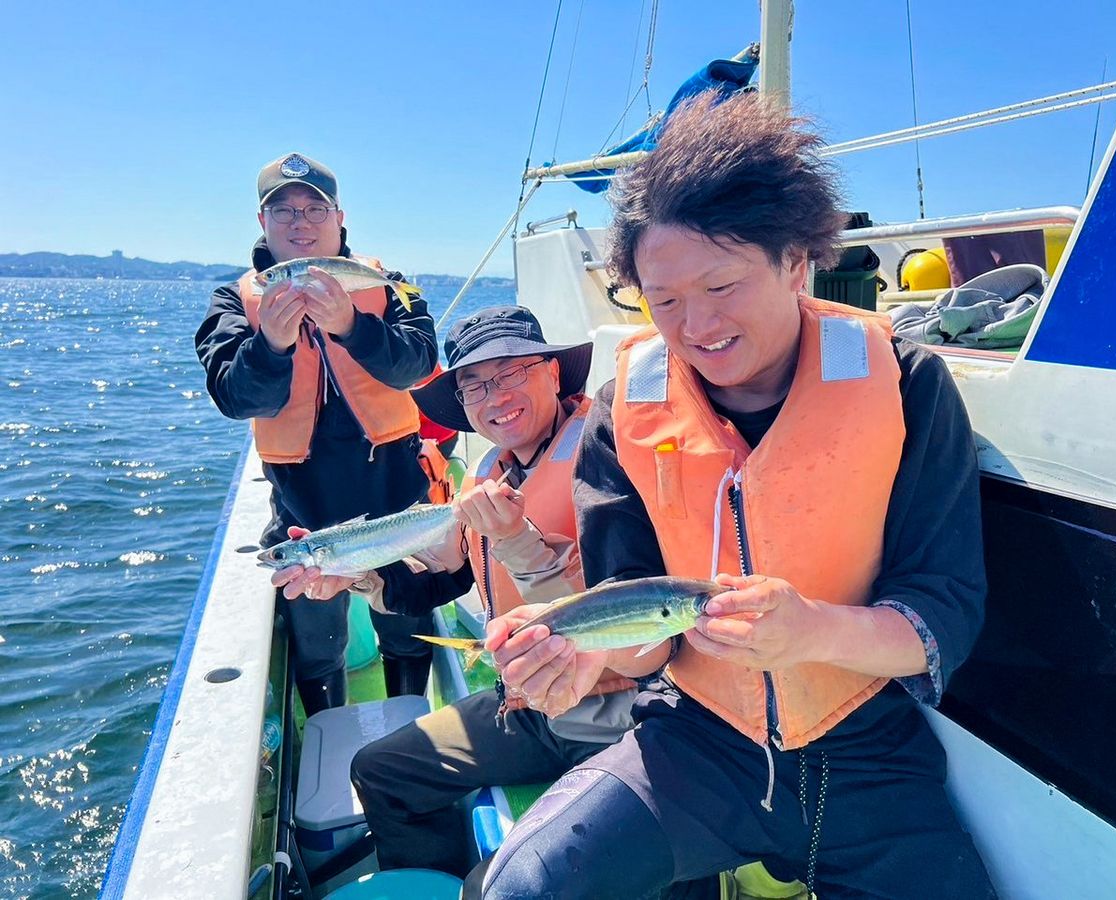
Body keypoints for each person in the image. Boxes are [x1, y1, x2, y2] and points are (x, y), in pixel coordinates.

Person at [477, 94, 997, 899]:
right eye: (666, 299)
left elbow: (944, 614)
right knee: (522, 883)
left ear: (795, 261)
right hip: (697, 741)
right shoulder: (627, 408)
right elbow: (639, 630)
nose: (697, 326)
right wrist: (581, 657)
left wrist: (811, 629)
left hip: (865, 747)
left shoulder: (908, 383)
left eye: (722, 285)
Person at [337, 307, 638, 877]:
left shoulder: (608, 458)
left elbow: (617, 610)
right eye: (473, 385)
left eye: (509, 373)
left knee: (511, 883)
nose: (492, 395)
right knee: (382, 771)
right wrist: (352, 573)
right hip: (526, 707)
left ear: (553, 372)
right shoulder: (489, 477)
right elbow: (451, 575)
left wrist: (517, 540)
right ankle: (429, 878)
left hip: (614, 718)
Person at [194, 152, 438, 713]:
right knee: (318, 643)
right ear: (263, 223)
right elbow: (234, 397)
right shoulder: (233, 301)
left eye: (314, 208)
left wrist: (352, 327)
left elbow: (419, 364)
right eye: (283, 211)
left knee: (407, 625)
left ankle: (409, 727)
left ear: (339, 218)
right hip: (302, 509)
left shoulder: (389, 283)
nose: (300, 222)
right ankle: (328, 732)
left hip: (395, 496)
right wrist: (270, 346)